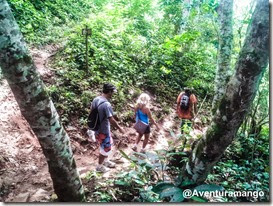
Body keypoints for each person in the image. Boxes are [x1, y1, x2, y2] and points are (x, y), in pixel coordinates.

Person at [90, 83, 125, 173]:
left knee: (106, 146)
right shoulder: (106, 104)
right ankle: (99, 167)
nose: (113, 94)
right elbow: (111, 119)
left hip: (97, 128)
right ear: (109, 92)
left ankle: (106, 161)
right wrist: (119, 128)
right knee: (104, 148)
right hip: (103, 130)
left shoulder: (96, 99)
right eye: (112, 92)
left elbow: (91, 113)